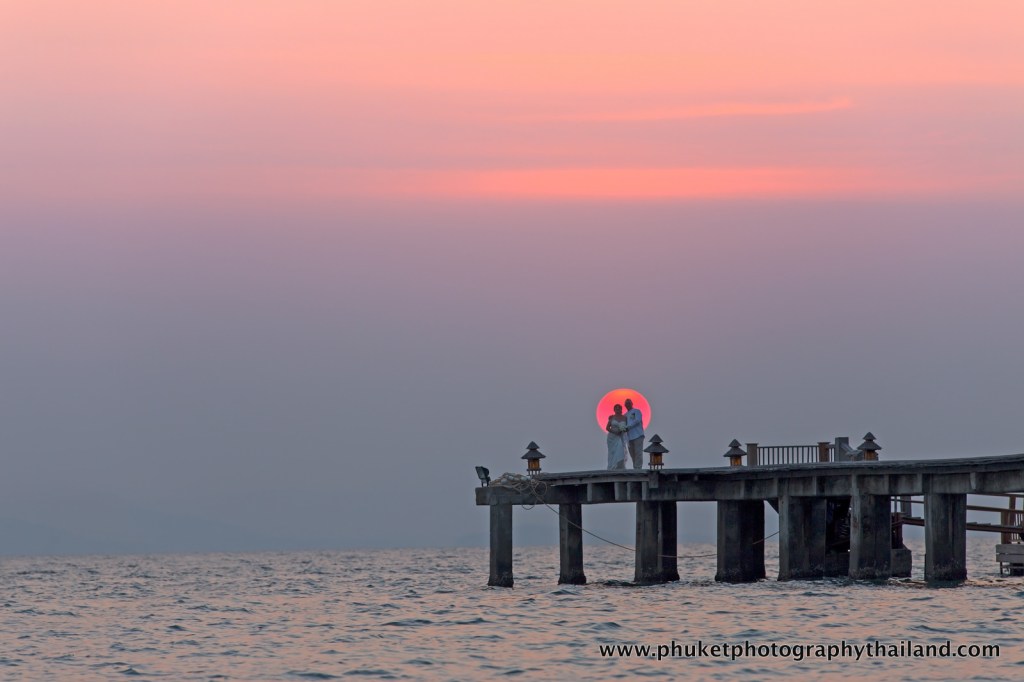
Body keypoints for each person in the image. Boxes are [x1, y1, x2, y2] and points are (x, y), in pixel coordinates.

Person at [605, 404, 629, 470]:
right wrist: (614, 431)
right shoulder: (612, 418)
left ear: (621, 409)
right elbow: (607, 427)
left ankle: (619, 466)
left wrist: (623, 430)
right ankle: (612, 467)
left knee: (620, 450)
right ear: (614, 410)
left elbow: (627, 427)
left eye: (619, 408)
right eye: (616, 408)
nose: (618, 409)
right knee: (612, 452)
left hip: (621, 437)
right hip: (612, 437)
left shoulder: (624, 418)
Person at [624, 398, 645, 470]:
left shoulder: (637, 411)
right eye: (626, 403)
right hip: (629, 438)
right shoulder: (625, 415)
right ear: (625, 405)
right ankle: (635, 468)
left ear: (632, 404)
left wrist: (629, 427)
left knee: (638, 453)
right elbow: (623, 424)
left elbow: (637, 420)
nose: (628, 404)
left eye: (629, 403)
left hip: (638, 435)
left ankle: (638, 469)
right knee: (632, 454)